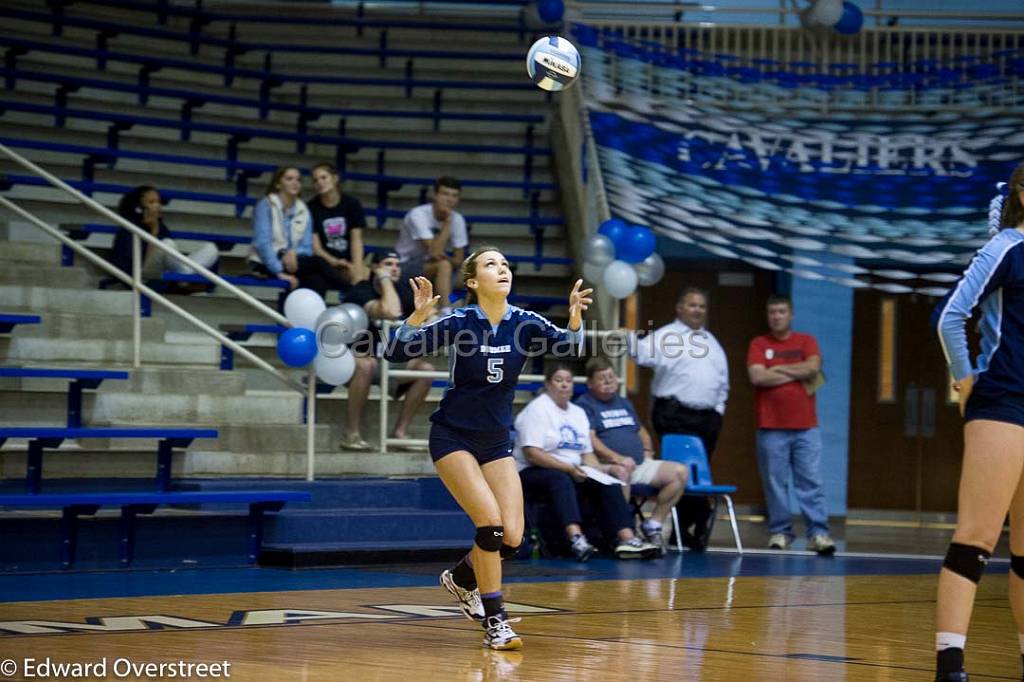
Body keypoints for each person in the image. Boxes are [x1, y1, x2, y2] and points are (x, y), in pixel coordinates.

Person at [382, 245, 592, 650]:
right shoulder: (459, 321)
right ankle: (497, 622)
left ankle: (460, 579)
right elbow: (395, 352)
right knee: (490, 526)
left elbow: (570, 348)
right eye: (491, 264)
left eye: (506, 264)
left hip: (495, 441)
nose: (503, 269)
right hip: (453, 436)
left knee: (513, 538)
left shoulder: (526, 323)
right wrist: (418, 315)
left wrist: (575, 318)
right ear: (474, 282)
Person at [931, 162, 1024, 682]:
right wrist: (964, 380)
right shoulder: (1006, 248)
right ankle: (950, 666)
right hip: (1002, 402)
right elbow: (949, 315)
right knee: (977, 538)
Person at [516, 364, 661, 562]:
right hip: (534, 470)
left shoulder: (577, 412)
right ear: (548, 384)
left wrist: (603, 470)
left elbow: (587, 454)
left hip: (573, 469)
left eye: (568, 381)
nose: (564, 385)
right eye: (559, 380)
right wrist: (569, 468)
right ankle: (576, 538)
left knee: (608, 482)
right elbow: (532, 453)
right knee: (560, 479)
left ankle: (627, 539)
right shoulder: (537, 409)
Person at [628, 287, 729, 550]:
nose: (698, 310)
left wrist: (718, 410)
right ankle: (688, 529)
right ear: (680, 308)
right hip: (675, 414)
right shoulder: (666, 336)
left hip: (708, 419)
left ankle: (688, 529)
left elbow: (723, 382)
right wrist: (627, 338)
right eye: (692, 305)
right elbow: (641, 354)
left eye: (702, 306)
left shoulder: (712, 341)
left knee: (696, 475)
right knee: (681, 471)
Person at [746, 295, 835, 554]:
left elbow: (813, 368)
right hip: (770, 427)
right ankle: (781, 532)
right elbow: (757, 376)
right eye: (772, 312)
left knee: (811, 482)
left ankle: (818, 533)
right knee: (775, 483)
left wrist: (777, 369)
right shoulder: (759, 343)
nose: (776, 316)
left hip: (806, 427)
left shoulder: (806, 341)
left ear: (791, 315)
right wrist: (796, 370)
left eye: (781, 312)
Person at [575, 357, 688, 555]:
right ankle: (624, 534)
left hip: (639, 463)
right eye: (603, 378)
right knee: (622, 471)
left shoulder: (624, 402)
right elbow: (591, 440)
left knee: (679, 472)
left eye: (611, 377)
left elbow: (640, 430)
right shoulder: (585, 404)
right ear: (590, 383)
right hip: (608, 465)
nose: (609, 382)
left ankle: (653, 524)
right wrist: (616, 457)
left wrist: (647, 450)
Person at [342, 250, 432, 451]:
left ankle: (399, 432)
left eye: (398, 265)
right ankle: (351, 433)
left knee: (425, 370)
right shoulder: (360, 291)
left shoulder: (403, 291)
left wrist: (429, 313)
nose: (394, 268)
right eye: (388, 264)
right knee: (367, 364)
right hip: (349, 360)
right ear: (375, 267)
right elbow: (391, 312)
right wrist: (384, 279)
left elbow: (429, 315)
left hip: (384, 360)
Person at [248, 166, 349, 299]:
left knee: (317, 280)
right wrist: (279, 271)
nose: (295, 183)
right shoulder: (265, 205)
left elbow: (307, 247)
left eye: (298, 180)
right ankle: (349, 289)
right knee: (318, 262)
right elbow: (262, 243)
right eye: (289, 179)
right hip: (266, 262)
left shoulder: (304, 210)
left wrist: (293, 253)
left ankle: (305, 319)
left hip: (295, 262)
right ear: (278, 184)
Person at [111, 185, 219, 287]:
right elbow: (131, 266)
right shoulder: (128, 228)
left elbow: (172, 257)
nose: (157, 206)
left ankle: (185, 276)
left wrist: (157, 227)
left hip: (166, 272)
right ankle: (185, 277)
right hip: (141, 275)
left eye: (158, 202)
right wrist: (154, 231)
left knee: (210, 248)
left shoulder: (161, 226)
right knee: (167, 243)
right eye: (151, 202)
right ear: (138, 208)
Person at [395, 177, 468, 314]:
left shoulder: (458, 219)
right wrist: (447, 224)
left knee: (475, 274)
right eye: (445, 194)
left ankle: (475, 315)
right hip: (405, 266)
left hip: (434, 266)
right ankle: (446, 312)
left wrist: (445, 258)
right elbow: (434, 251)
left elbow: (458, 259)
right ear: (435, 195)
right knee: (444, 265)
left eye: (454, 196)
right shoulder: (417, 215)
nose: (449, 199)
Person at [308, 162, 368, 289]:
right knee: (316, 279)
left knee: (366, 275)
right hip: (326, 262)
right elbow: (316, 248)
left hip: (350, 260)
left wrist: (356, 269)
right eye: (315, 180)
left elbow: (356, 241)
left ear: (335, 178)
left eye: (324, 177)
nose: (319, 182)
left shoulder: (352, 204)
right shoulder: (311, 208)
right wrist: (336, 262)